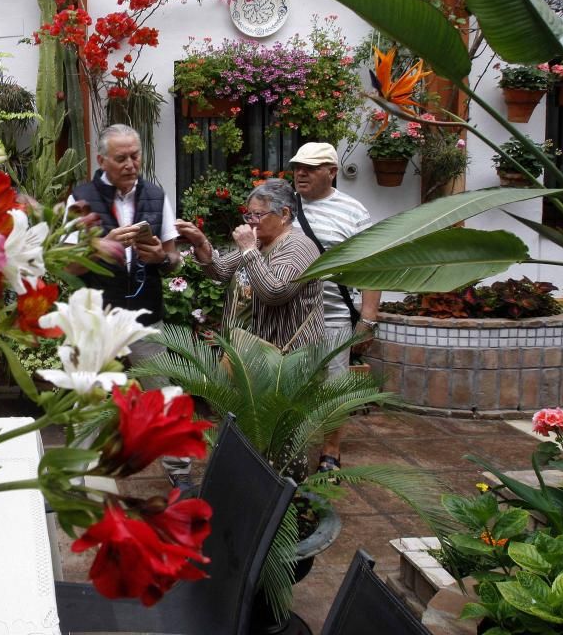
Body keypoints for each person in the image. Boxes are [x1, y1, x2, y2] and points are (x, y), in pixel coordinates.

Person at [67, 124, 187, 485]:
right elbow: (66, 266)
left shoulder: (155, 194)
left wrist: (159, 259)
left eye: (135, 155)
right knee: (87, 394)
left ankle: (180, 472)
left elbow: (173, 259)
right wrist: (99, 247)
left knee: (162, 391)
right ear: (102, 159)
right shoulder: (81, 197)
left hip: (145, 314)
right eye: (121, 158)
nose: (131, 164)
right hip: (97, 315)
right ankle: (74, 477)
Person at [288, 142, 381, 474]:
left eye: (311, 168)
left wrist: (367, 319)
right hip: (289, 318)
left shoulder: (353, 211)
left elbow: (371, 267)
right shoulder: (283, 205)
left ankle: (330, 450)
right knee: (289, 384)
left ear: (332, 172)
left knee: (334, 387)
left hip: (333, 315)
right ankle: (291, 447)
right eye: (298, 166)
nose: (301, 172)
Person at [176, 179, 323, 352]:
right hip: (246, 355)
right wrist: (201, 243)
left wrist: (248, 249)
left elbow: (275, 292)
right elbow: (220, 271)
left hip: (285, 362)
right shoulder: (259, 242)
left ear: (284, 214)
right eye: (249, 215)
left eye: (258, 215)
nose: (251, 221)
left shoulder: (298, 246)